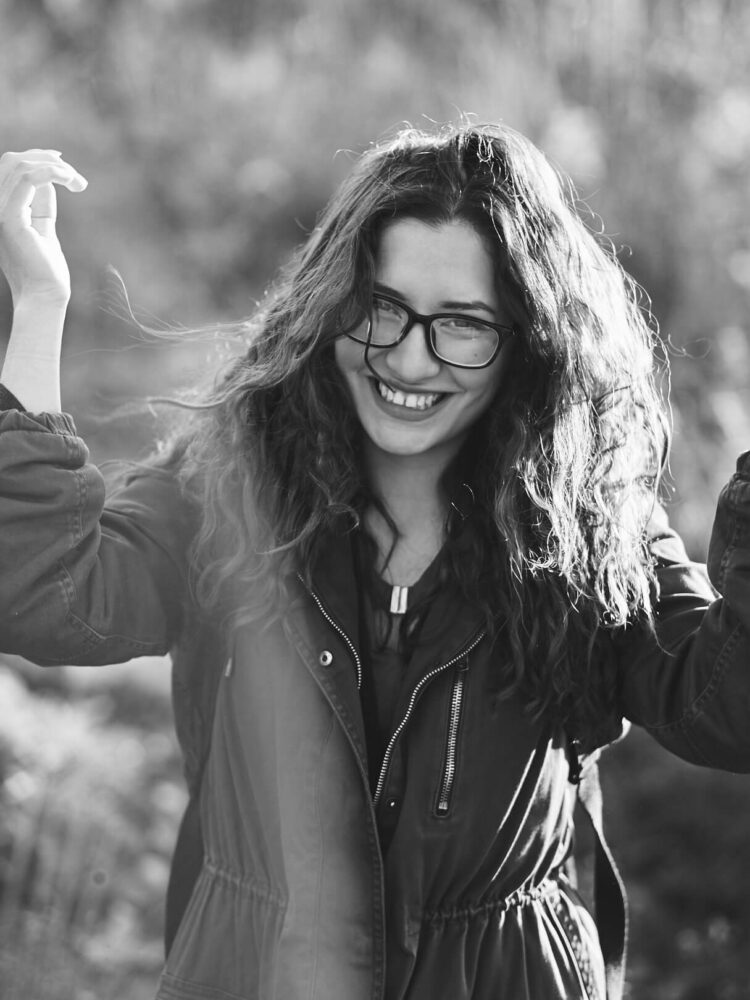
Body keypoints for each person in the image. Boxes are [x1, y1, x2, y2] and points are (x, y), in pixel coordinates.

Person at [0, 127, 748, 1000]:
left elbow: (726, 708)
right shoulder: (229, 488)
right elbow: (52, 593)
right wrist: (41, 301)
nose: (406, 357)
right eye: (378, 307)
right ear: (329, 301)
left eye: (461, 326)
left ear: (533, 342)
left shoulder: (592, 526)